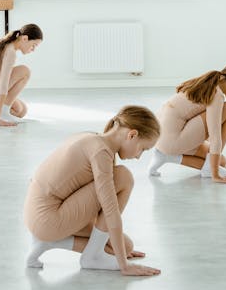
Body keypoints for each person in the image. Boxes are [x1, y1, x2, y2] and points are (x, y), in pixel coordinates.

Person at [24, 105, 161, 276]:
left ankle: (48, 243)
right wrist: (124, 265)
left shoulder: (92, 137)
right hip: (47, 218)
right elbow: (110, 211)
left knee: (125, 247)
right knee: (124, 176)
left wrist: (121, 253)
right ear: (132, 135)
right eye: (143, 149)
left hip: (38, 216)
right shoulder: (101, 152)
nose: (139, 156)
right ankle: (93, 256)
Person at [149, 62, 226, 183]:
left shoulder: (209, 85)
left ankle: (166, 156)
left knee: (221, 161)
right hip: (171, 141)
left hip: (159, 138)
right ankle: (208, 170)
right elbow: (215, 136)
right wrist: (216, 176)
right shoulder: (217, 94)